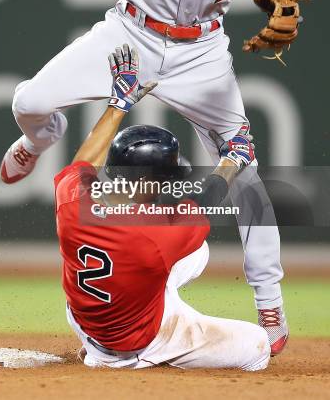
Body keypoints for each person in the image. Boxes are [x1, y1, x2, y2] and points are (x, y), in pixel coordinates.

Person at [0, 0, 290, 354]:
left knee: (245, 174)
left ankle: (269, 302)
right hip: (129, 34)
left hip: (201, 53)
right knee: (29, 102)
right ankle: (39, 140)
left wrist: (281, 1)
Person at [55, 44, 270, 370]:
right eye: (165, 178)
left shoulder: (72, 199)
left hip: (86, 319)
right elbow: (202, 202)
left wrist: (119, 104)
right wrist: (233, 159)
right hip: (136, 345)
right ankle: (141, 362)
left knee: (194, 254)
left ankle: (95, 343)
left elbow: (84, 160)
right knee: (258, 347)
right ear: (148, 183)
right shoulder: (155, 235)